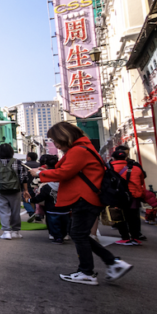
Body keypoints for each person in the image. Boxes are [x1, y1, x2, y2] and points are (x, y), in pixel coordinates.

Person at [32, 122, 132, 285]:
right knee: (79, 233)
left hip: (84, 198)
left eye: (55, 140)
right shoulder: (83, 148)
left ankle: (88, 271)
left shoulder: (78, 150)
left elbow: (64, 172)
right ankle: (112, 262)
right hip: (88, 197)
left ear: (64, 137)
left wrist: (40, 173)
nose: (55, 144)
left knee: (78, 234)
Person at [0, 143, 31, 240]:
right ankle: (16, 231)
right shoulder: (18, 162)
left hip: (0, 190)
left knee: (3, 211)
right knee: (15, 211)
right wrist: (25, 190)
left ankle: (6, 232)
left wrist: (1, 183)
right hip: (15, 190)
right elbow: (24, 177)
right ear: (11, 152)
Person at [109, 145, 146, 246]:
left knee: (120, 216)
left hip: (118, 196)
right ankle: (135, 237)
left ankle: (125, 237)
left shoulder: (110, 169)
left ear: (113, 158)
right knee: (134, 217)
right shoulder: (136, 168)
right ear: (125, 157)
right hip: (134, 196)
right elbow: (142, 181)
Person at [30, 154, 67, 243]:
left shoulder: (43, 177)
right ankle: (64, 234)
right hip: (65, 206)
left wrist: (30, 199)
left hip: (48, 203)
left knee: (51, 219)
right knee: (65, 220)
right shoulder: (62, 174)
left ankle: (54, 234)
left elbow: (34, 185)